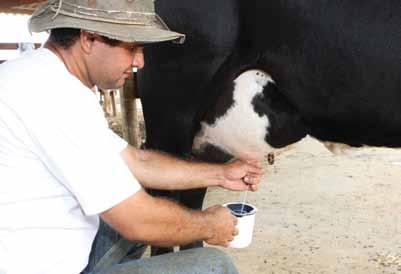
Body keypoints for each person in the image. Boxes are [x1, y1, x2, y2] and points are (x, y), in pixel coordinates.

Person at [0, 0, 264, 274]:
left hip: (47, 246)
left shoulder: (41, 76)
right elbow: (136, 221)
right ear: (88, 38)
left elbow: (137, 162)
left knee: (143, 211)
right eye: (132, 47)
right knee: (215, 265)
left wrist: (222, 174)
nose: (140, 61)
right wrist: (210, 225)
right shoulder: (52, 96)